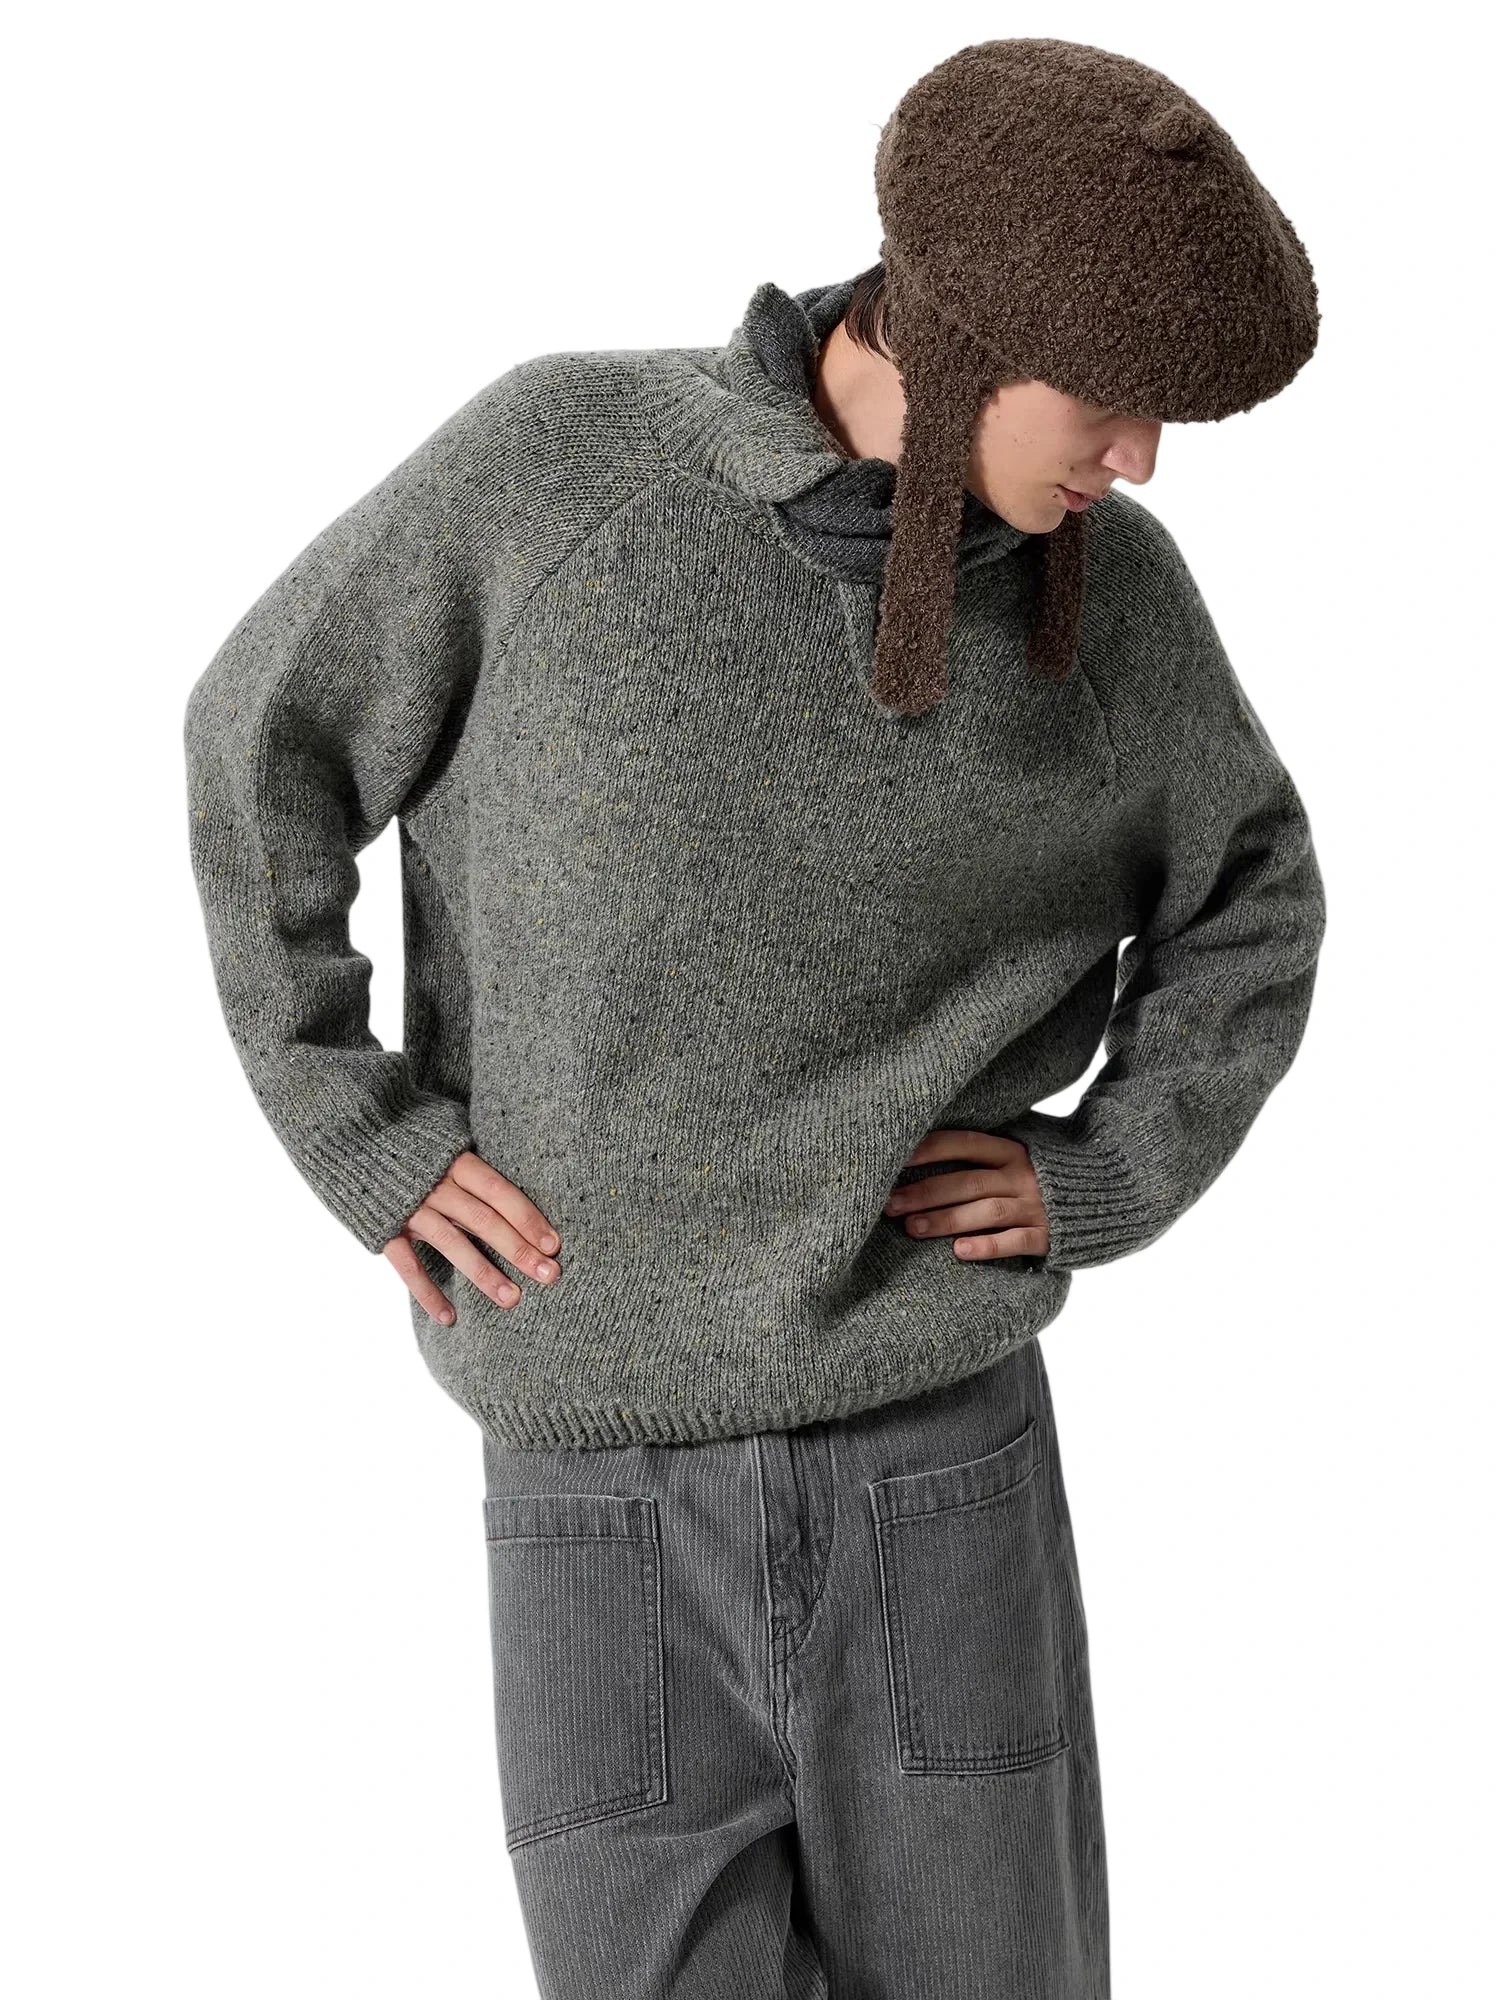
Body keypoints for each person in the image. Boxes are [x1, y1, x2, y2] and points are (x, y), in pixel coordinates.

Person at [183, 36, 1326, 1999]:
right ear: (965, 336)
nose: (1138, 459)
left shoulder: (1112, 605)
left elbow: (1257, 893)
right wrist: (358, 1131)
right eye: (1112, 400)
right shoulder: (558, 474)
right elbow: (259, 737)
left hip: (936, 1474)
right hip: (596, 1481)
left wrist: (1110, 1168)